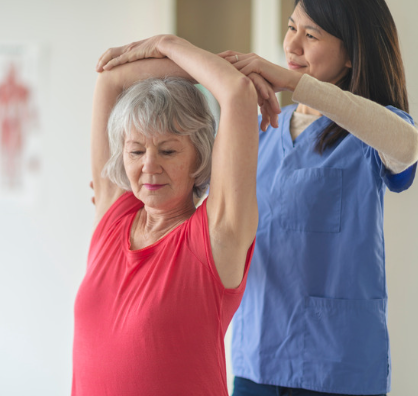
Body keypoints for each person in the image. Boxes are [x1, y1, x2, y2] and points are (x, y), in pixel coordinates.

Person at [96, 1, 418, 395]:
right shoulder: (260, 136)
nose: (292, 46)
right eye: (291, 27)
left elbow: (408, 145)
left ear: (352, 53)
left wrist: (292, 82)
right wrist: (206, 60)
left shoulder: (370, 136)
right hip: (257, 359)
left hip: (339, 365)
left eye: (311, 35)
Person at [73, 36, 277, 396]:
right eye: (136, 151)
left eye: (168, 150)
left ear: (199, 157)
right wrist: (211, 61)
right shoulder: (113, 216)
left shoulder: (216, 235)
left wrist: (165, 43)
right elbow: (110, 79)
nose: (149, 166)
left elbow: (236, 91)